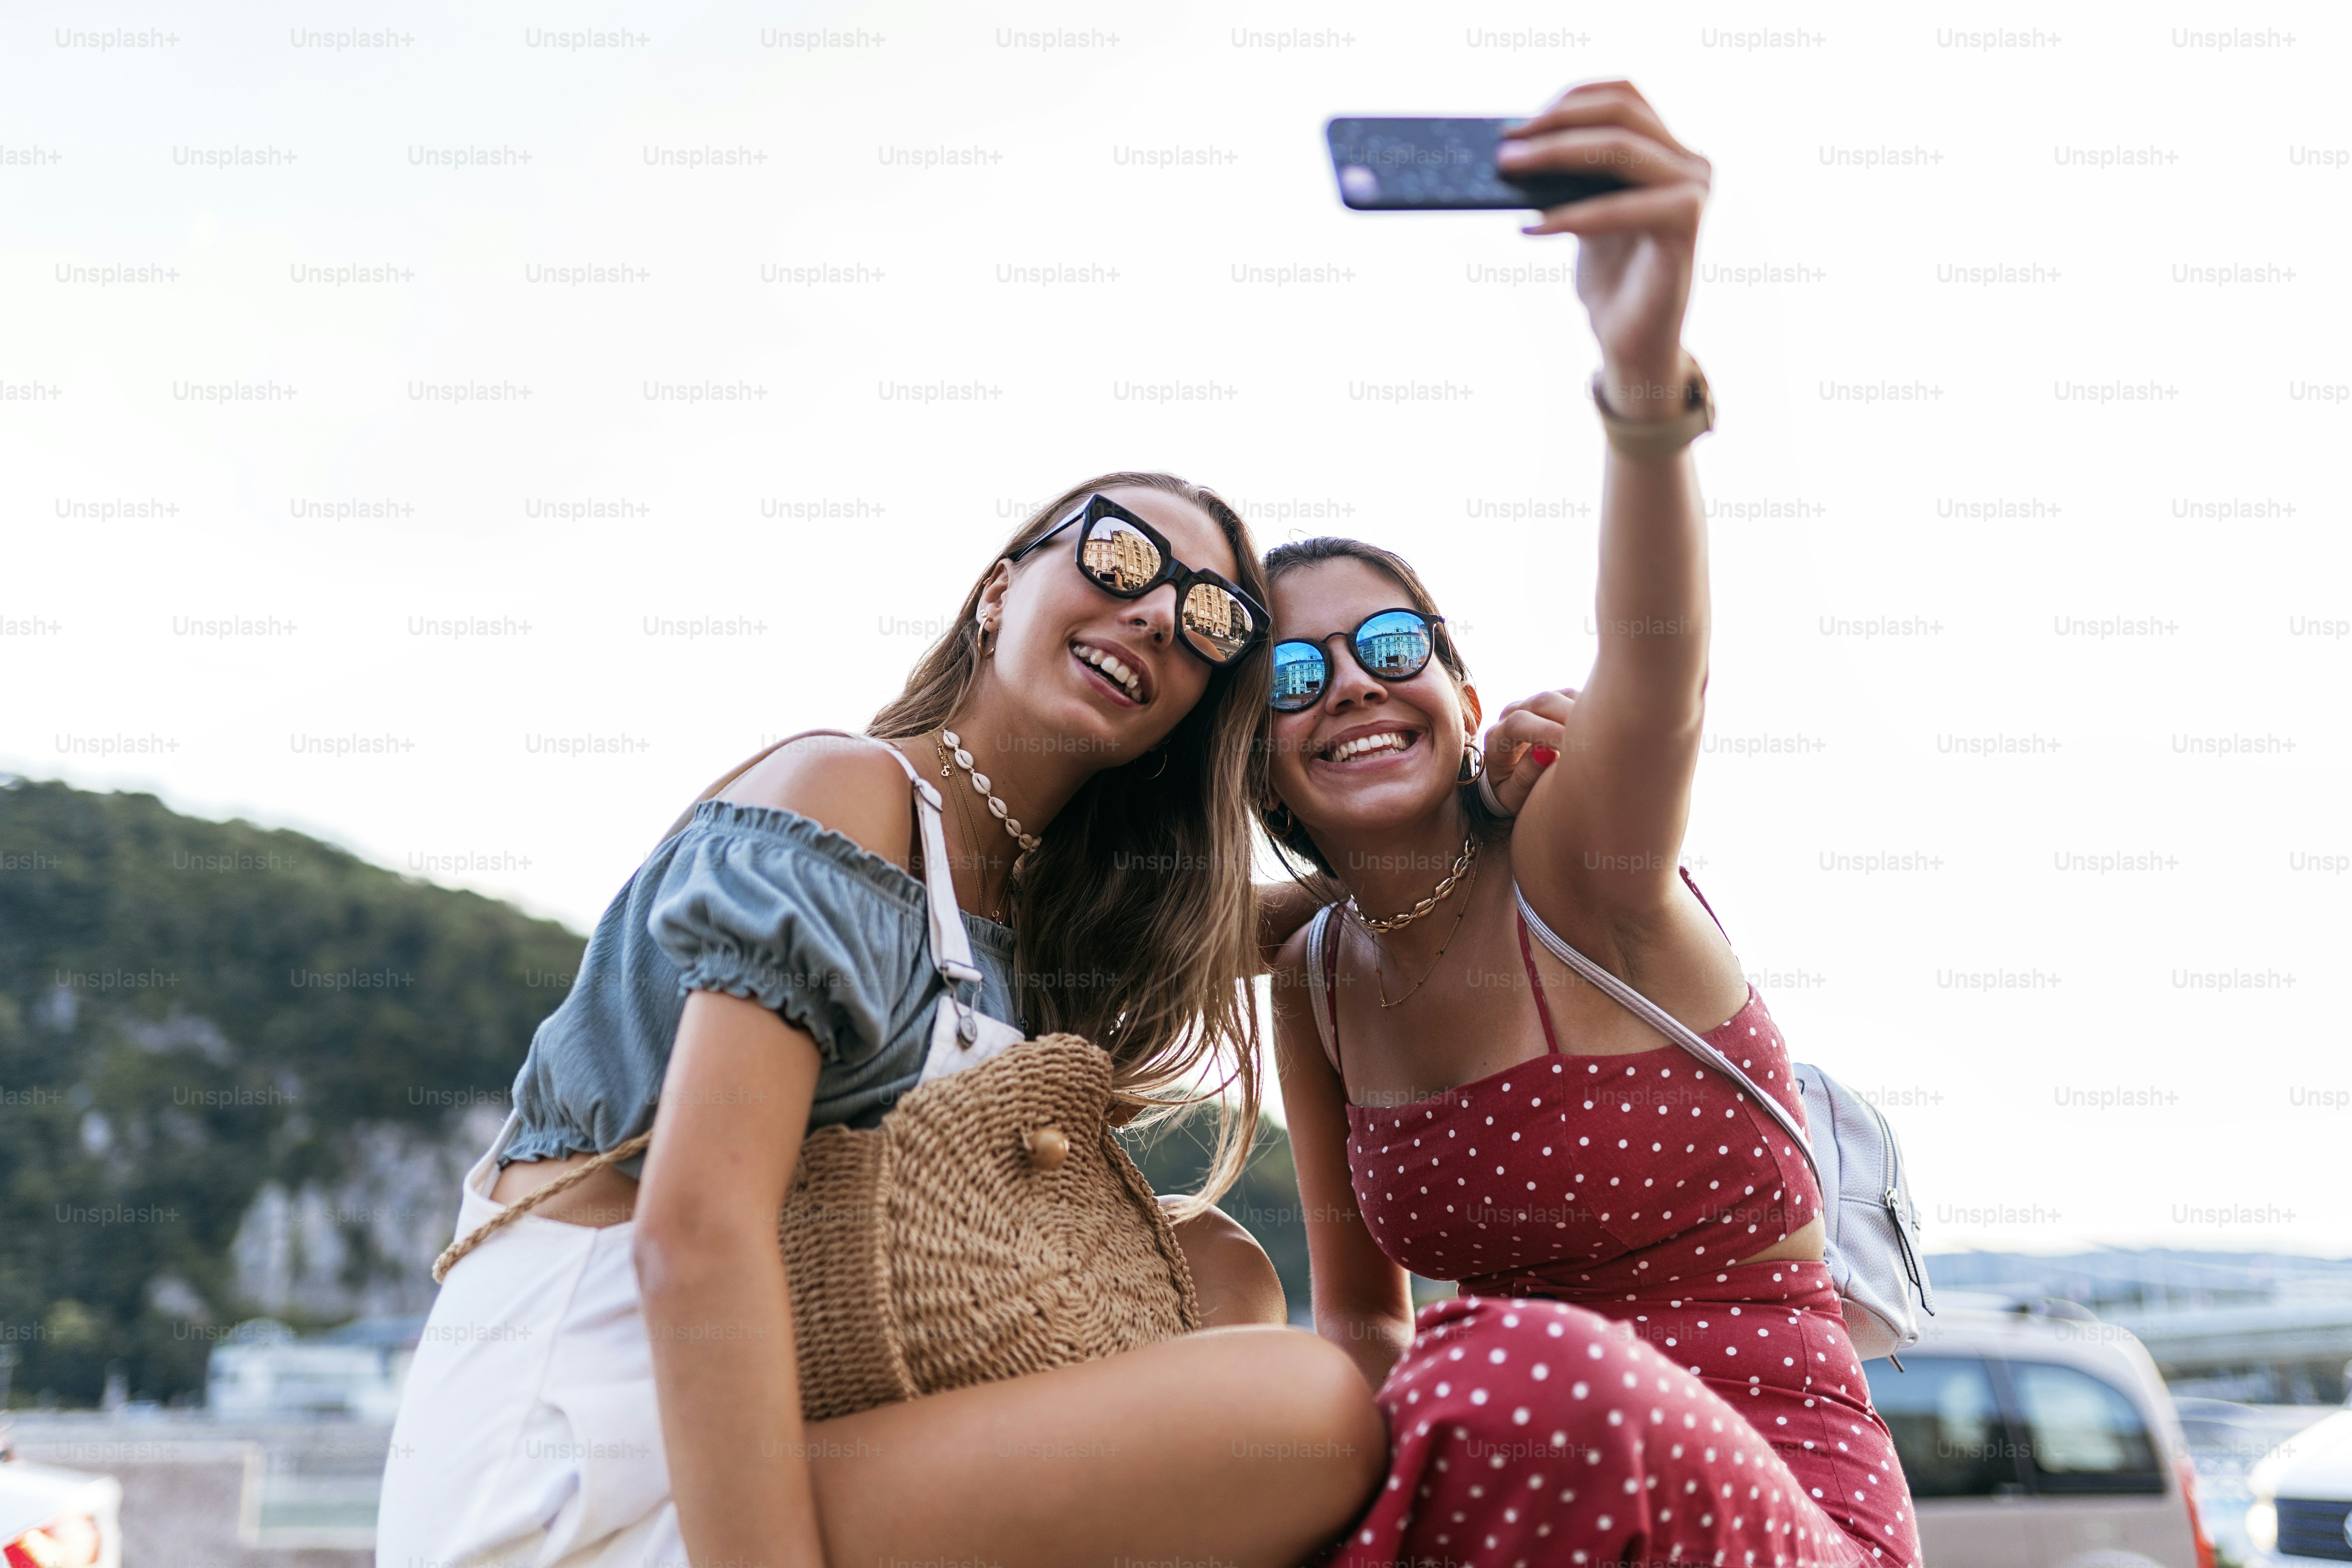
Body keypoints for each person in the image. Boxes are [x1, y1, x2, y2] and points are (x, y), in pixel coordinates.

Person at [380, 472, 1384, 1568]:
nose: (1155, 611)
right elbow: (696, 1231)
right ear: (1000, 592)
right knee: (1304, 1412)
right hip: (592, 1461)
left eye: (1210, 622)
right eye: (1121, 557)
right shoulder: (846, 793)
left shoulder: (1039, 908)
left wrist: (1476, 820)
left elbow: (1256, 922)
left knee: (1219, 1273)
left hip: (790, 1419)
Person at [1258, 85, 1922, 1566]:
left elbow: (1661, 676)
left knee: (1519, 1362)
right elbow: (1363, 1318)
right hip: (1514, 1512)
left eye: (1390, 643)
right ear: (1255, 754)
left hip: (1778, 1506)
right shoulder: (1313, 981)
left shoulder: (1577, 862)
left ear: (1462, 687)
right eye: (1293, 672)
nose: (1352, 684)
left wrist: (1642, 384)